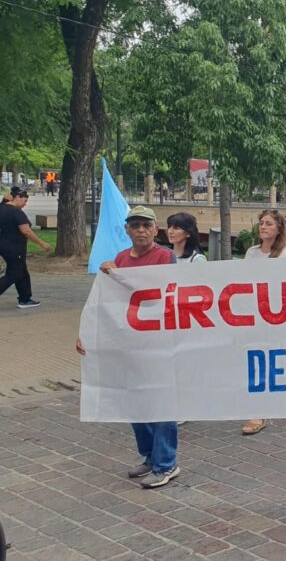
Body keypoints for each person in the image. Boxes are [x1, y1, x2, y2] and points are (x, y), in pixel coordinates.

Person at [76, 206, 180, 489]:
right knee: (135, 403)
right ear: (127, 230)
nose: (141, 230)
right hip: (130, 345)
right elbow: (108, 301)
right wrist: (88, 332)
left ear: (155, 229)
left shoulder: (164, 256)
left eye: (146, 225)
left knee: (161, 402)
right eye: (135, 225)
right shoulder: (121, 259)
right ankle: (150, 455)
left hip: (157, 343)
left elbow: (168, 292)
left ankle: (166, 463)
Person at [240, 210, 286, 435]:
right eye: (261, 223)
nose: (263, 227)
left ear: (279, 228)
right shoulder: (251, 253)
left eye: (269, 224)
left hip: (274, 316)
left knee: (269, 359)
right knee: (252, 357)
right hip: (252, 314)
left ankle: (260, 411)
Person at [0, 187, 51, 308]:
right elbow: (26, 231)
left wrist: (3, 200)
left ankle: (25, 298)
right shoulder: (17, 212)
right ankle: (24, 298)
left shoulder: (2, 208)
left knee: (22, 272)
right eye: (24, 200)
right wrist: (42, 243)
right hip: (14, 248)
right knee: (15, 273)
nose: (25, 204)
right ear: (17, 198)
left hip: (4, 245)